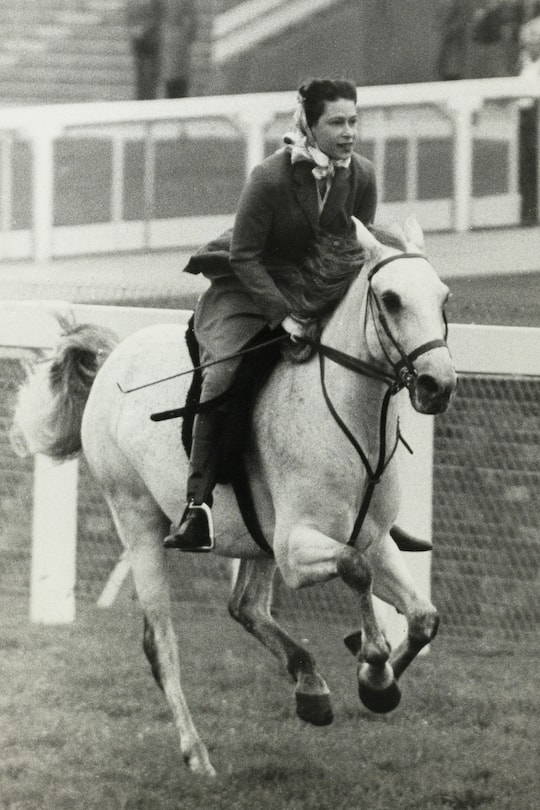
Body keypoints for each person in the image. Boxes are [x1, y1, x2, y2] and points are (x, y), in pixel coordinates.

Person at [164, 77, 377, 551]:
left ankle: (369, 503)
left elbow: (353, 248)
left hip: (315, 289)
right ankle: (196, 506)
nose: (349, 132)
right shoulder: (270, 177)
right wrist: (284, 317)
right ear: (309, 123)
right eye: (337, 122)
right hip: (248, 288)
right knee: (222, 377)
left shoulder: (361, 175)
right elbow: (245, 258)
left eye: (354, 121)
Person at [126, 0, 164, 100]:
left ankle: (150, 98)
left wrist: (144, 28)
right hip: (139, 41)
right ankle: (141, 99)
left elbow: (158, 16)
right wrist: (134, 29)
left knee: (151, 73)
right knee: (141, 74)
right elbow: (130, 14)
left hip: (151, 40)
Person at [161, 0, 198, 98]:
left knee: (178, 78)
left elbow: (191, 19)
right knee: (173, 78)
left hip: (178, 38)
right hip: (173, 38)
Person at [436, 0, 471, 81]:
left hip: (456, 37)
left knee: (455, 58)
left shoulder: (459, 5)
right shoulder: (446, 4)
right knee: (447, 57)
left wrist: (453, 27)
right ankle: (448, 74)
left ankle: (454, 74)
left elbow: (462, 18)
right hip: (449, 38)